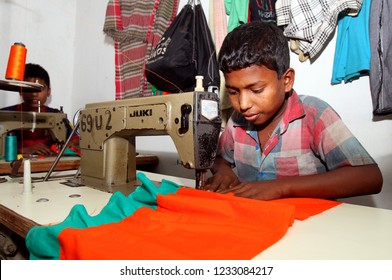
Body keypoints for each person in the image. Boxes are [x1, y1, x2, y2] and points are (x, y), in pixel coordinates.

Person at [204, 21, 383, 200]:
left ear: (287, 80)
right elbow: (219, 158)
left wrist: (282, 188)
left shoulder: (314, 114)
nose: (243, 104)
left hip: (308, 224)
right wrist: (224, 172)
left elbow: (369, 177)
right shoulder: (237, 122)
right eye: (233, 92)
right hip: (255, 221)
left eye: (256, 90)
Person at [1, 63, 79, 156]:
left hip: (47, 164)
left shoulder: (56, 116)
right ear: (20, 91)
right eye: (29, 88)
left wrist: (70, 144)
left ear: (48, 92)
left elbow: (76, 139)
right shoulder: (5, 114)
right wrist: (22, 149)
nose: (34, 94)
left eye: (40, 88)